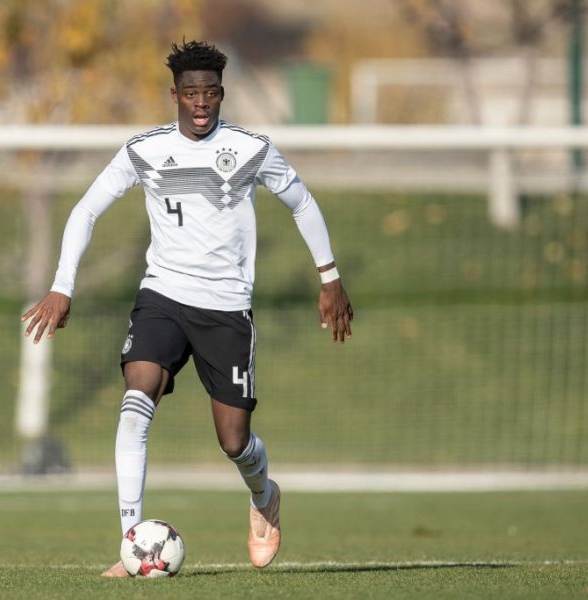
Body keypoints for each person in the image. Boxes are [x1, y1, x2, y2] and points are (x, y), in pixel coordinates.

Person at [21, 39, 354, 577]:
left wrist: (330, 276)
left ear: (222, 95)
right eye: (192, 93)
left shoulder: (252, 149)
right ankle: (130, 545)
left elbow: (302, 203)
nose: (202, 103)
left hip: (226, 310)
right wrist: (63, 286)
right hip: (163, 297)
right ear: (174, 94)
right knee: (136, 396)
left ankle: (264, 495)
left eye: (212, 93)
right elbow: (85, 210)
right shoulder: (143, 150)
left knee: (234, 441)